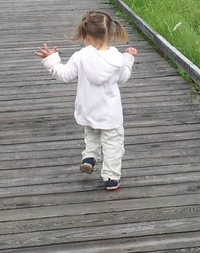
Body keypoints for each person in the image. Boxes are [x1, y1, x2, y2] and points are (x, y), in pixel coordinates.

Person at [35, 10, 137, 191]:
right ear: (110, 33)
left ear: (87, 36)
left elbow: (64, 75)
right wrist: (129, 59)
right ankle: (111, 178)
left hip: (88, 110)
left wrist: (51, 59)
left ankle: (89, 157)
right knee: (113, 144)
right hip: (110, 114)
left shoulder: (80, 56)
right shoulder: (118, 58)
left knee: (91, 133)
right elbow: (123, 79)